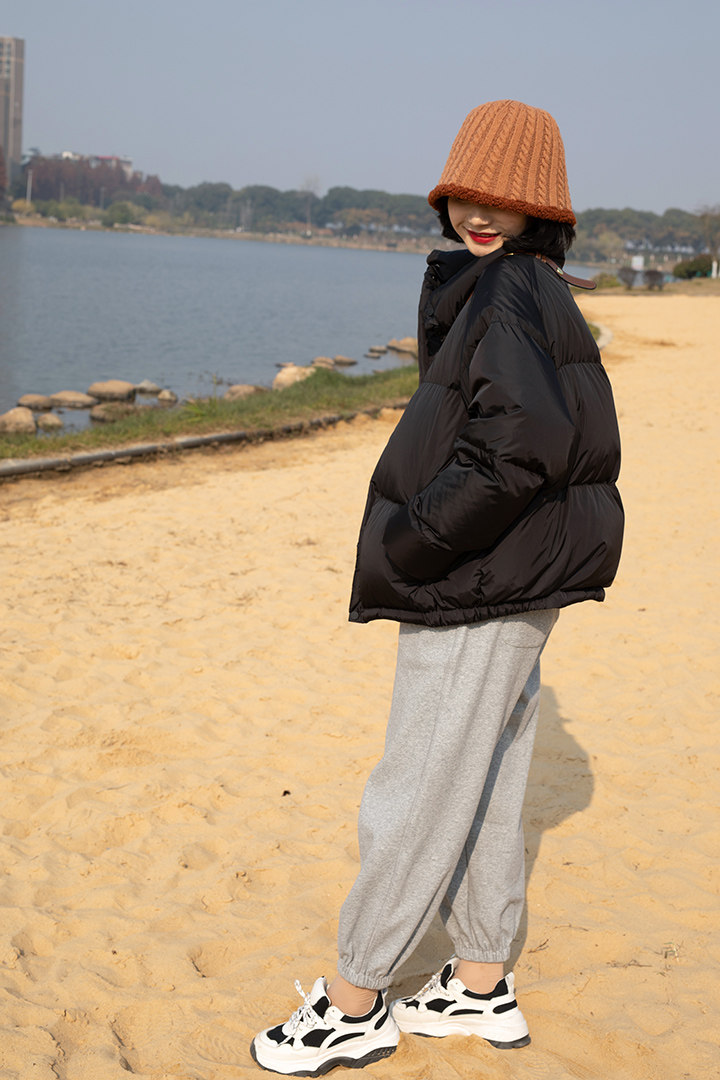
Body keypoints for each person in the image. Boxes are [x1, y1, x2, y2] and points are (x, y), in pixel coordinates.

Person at [251, 99, 623, 1077]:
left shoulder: (505, 291)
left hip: (483, 572)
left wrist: (416, 538)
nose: (479, 213)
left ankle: (354, 1000)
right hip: (520, 573)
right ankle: (481, 982)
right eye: (464, 193)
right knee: (488, 778)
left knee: (417, 786)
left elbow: (521, 446)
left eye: (503, 197)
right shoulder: (535, 285)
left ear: (541, 205)